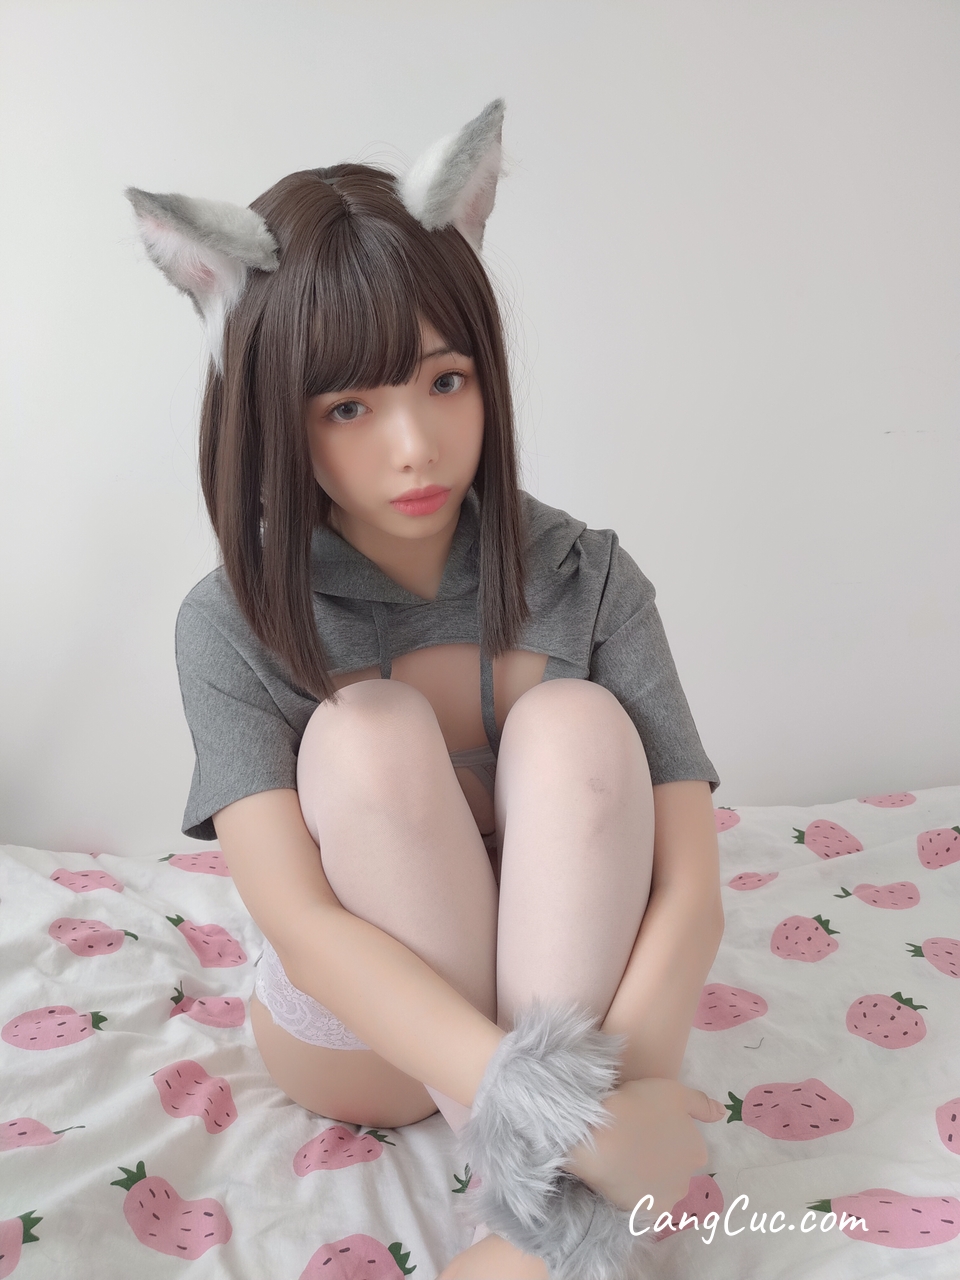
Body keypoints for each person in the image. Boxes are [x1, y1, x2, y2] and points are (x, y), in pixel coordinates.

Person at [127, 99, 728, 1280]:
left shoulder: (588, 578)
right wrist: (588, 1127)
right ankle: (567, 1211)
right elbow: (304, 925)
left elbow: (690, 887)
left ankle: (534, 1234)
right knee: (366, 732)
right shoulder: (231, 622)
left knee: (577, 720)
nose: (414, 444)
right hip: (365, 1040)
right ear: (275, 413)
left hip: (569, 1000)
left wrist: (631, 1087)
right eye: (350, 406)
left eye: (445, 381)